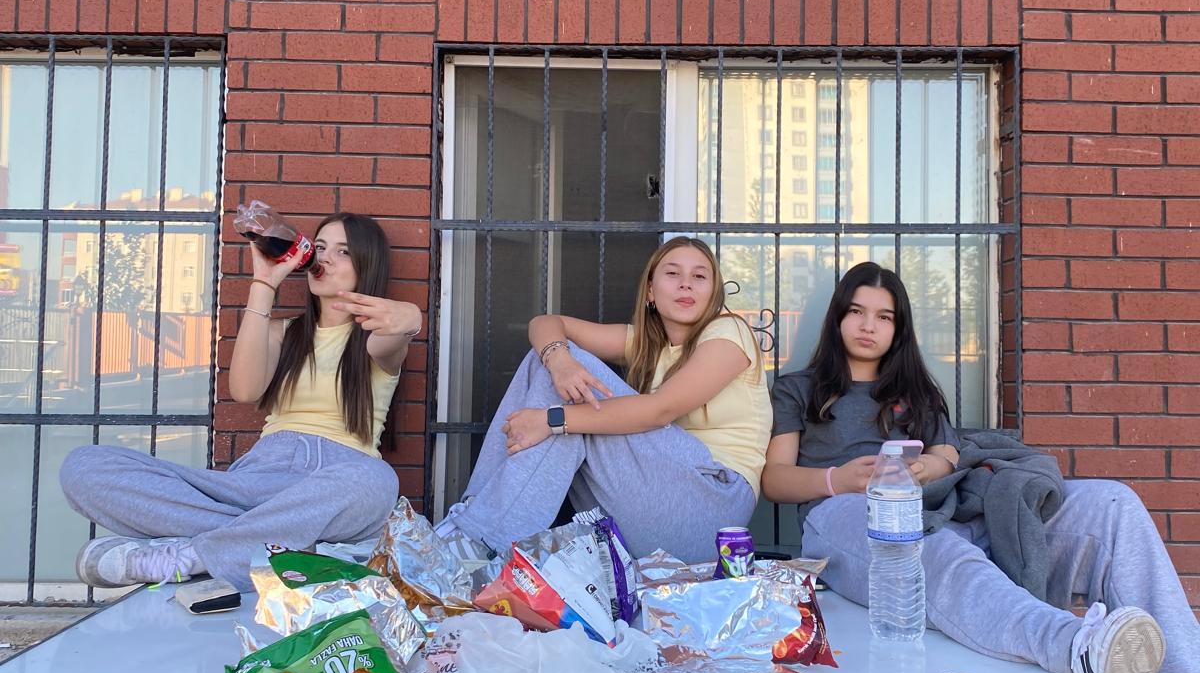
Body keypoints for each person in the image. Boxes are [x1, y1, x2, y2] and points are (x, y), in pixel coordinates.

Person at [761, 261, 1200, 673]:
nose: (868, 325)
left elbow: (948, 450)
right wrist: (838, 479)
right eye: (856, 312)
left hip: (942, 504)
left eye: (884, 316)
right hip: (843, 517)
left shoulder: (916, 391)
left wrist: (930, 467)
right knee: (920, 540)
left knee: (1112, 503)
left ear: (899, 329)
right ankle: (1079, 649)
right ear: (837, 318)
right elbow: (774, 480)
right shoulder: (799, 389)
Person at [63, 213, 422, 591]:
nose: (325, 258)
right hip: (256, 481)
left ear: (367, 264)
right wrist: (264, 282)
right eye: (319, 247)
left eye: (343, 251)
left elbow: (396, 335)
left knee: (377, 480)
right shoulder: (283, 333)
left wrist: (410, 317)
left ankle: (191, 555)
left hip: (336, 484)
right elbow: (245, 390)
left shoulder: (374, 341)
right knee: (83, 467)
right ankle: (280, 544)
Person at [435, 236, 772, 565]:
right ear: (650, 291)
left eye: (699, 276)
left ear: (713, 293)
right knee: (551, 361)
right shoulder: (648, 344)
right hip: (656, 502)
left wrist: (553, 419)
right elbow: (547, 323)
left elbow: (660, 409)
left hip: (712, 508)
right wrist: (560, 362)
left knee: (570, 403)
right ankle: (475, 522)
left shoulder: (730, 332)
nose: (686, 284)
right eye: (672, 273)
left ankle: (477, 541)